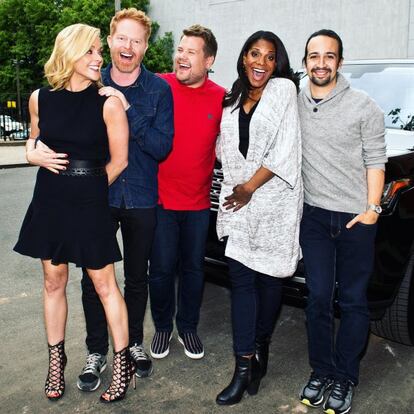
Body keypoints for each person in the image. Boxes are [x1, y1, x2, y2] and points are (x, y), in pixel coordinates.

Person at [13, 23, 135, 403]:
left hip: (89, 202)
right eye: (91, 51)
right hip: (49, 200)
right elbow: (34, 140)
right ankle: (56, 361)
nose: (99, 57)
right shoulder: (39, 98)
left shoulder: (109, 102)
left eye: (100, 50)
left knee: (104, 285)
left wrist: (91, 190)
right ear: (68, 53)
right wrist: (29, 152)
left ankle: (122, 364)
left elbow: (120, 161)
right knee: (53, 281)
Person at [77, 8, 174, 391]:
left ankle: (132, 344)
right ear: (111, 39)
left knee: (136, 278)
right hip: (96, 196)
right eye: (122, 38)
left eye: (136, 40)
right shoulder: (88, 82)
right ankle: (97, 351)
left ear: (146, 47)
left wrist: (126, 109)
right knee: (92, 280)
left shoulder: (159, 91)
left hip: (141, 197)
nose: (128, 46)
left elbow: (161, 147)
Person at [298, 29, 387, 414]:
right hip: (314, 217)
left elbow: (376, 160)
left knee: (352, 302)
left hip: (355, 219)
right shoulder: (293, 99)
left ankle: (345, 376)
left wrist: (371, 209)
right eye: (313, 56)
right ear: (305, 62)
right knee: (317, 298)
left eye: (328, 56)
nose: (321, 63)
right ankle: (321, 370)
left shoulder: (365, 106)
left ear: (340, 61)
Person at [214, 31, 302, 406]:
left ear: (276, 63)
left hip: (273, 200)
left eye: (269, 57)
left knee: (269, 283)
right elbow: (224, 146)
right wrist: (240, 187)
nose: (261, 63)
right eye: (255, 54)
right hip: (238, 202)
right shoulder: (232, 96)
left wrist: (249, 186)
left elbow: (285, 149)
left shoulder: (283, 90)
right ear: (244, 57)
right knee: (241, 283)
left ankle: (262, 342)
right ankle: (243, 365)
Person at [148, 24, 225, 360]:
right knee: (162, 269)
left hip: (198, 204)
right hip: (161, 201)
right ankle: (163, 326)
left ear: (208, 61)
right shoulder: (157, 85)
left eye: (190, 52)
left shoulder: (222, 97)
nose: (181, 56)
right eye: (180, 49)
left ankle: (188, 327)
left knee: (194, 270)